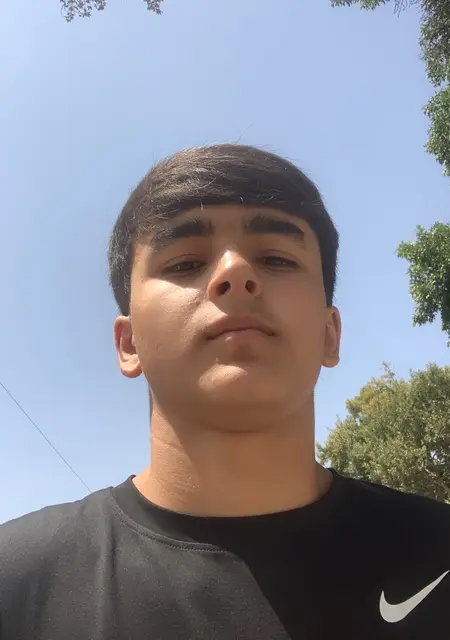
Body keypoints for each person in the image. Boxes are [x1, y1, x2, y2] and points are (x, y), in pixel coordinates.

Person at [0, 144, 449, 640]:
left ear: (330, 334)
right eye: (184, 263)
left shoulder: (438, 552)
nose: (235, 271)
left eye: (276, 258)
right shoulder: (14, 581)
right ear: (129, 344)